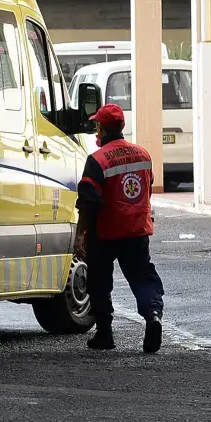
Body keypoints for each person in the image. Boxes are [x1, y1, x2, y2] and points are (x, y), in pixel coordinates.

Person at [75, 103, 166, 353]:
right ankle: (153, 316)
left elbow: (87, 201)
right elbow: (147, 189)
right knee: (142, 278)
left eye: (97, 126)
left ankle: (105, 335)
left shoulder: (97, 160)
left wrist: (80, 235)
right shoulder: (143, 155)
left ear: (102, 128)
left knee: (99, 282)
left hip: (105, 232)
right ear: (122, 126)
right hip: (137, 231)